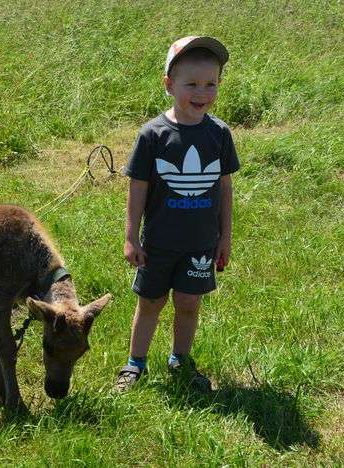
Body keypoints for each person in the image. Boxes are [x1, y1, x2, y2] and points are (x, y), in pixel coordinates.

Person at [115, 36, 240, 393]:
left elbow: (224, 188)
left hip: (201, 243)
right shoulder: (152, 135)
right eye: (192, 84)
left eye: (211, 83)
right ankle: (135, 362)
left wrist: (224, 237)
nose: (202, 92)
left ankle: (180, 361)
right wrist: (130, 237)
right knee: (150, 302)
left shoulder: (219, 134)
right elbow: (137, 188)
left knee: (188, 303)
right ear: (169, 85)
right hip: (158, 243)